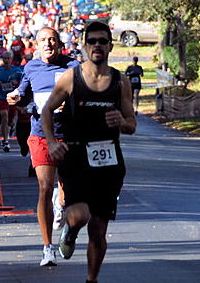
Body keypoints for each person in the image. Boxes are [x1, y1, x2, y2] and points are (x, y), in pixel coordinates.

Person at [41, 22, 136, 283]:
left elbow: (132, 124)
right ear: (84, 46)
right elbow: (47, 110)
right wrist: (51, 142)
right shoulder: (72, 78)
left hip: (109, 162)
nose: (97, 45)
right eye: (92, 41)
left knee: (98, 229)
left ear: (110, 46)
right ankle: (70, 230)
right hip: (76, 158)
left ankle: (91, 280)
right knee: (81, 214)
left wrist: (122, 122)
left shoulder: (120, 81)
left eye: (102, 41)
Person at [7, 27, 79, 267]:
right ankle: (48, 248)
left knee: (71, 192)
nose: (48, 44)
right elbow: (23, 95)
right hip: (40, 135)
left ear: (59, 43)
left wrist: (68, 104)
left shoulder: (73, 66)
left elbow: (83, 98)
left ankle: (65, 213)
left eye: (52, 39)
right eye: (43, 40)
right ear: (36, 45)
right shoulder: (31, 68)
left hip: (68, 136)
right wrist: (15, 97)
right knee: (44, 188)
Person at [0, 51, 22, 152]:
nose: (6, 60)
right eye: (5, 58)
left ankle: (10, 128)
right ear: (2, 59)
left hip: (13, 98)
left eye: (8, 58)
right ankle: (6, 142)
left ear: (11, 59)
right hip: (2, 97)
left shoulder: (17, 71)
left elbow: (24, 84)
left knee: (11, 121)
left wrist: (17, 84)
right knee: (4, 116)